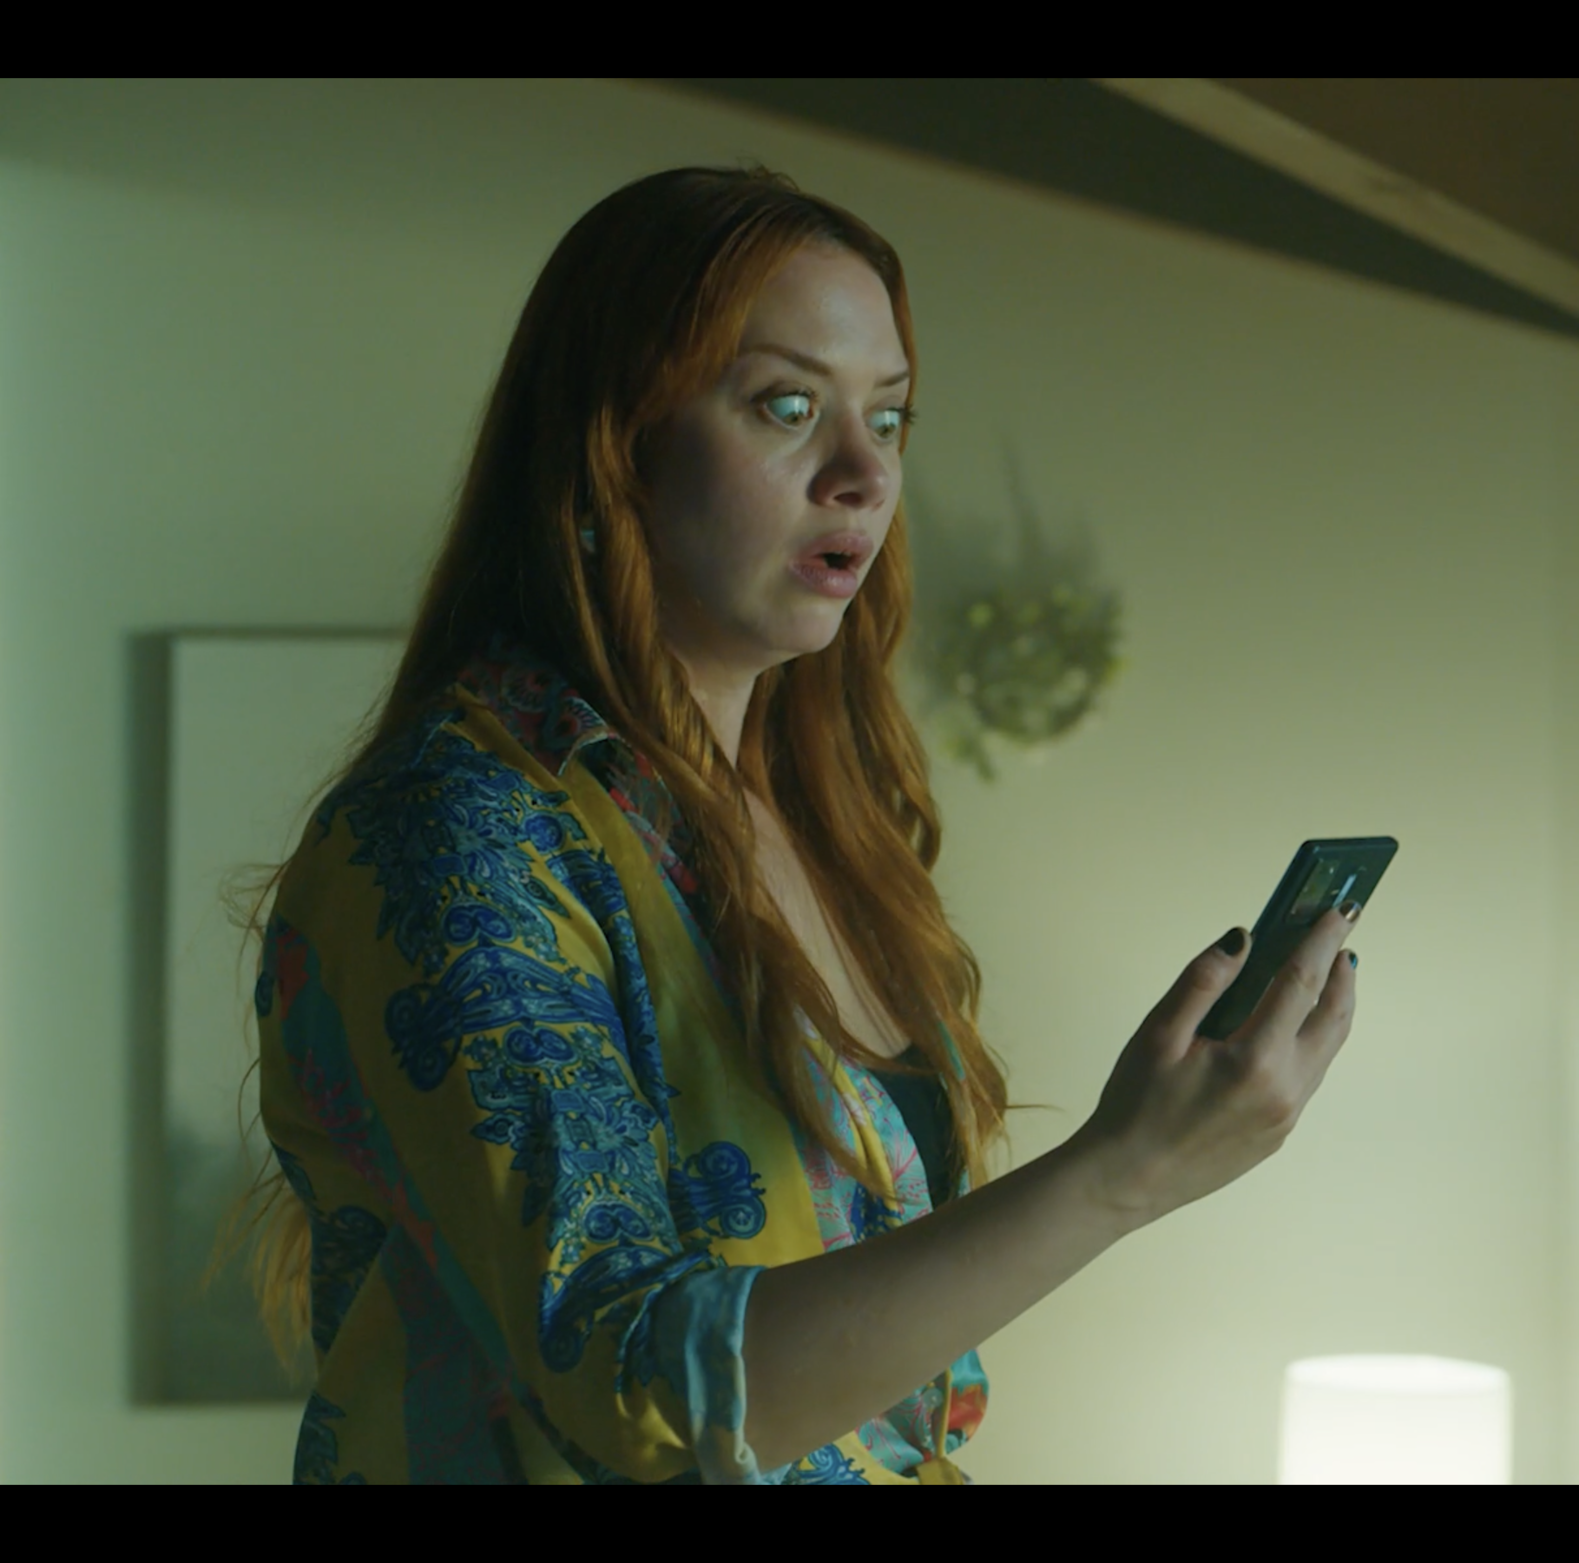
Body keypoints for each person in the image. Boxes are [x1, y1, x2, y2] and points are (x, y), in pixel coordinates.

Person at [244, 166, 1360, 1484]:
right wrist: (1125, 1170)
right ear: (613, 439)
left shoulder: (827, 828)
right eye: (786, 406)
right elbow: (640, 1388)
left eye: (888, 418)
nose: (864, 475)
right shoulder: (458, 831)